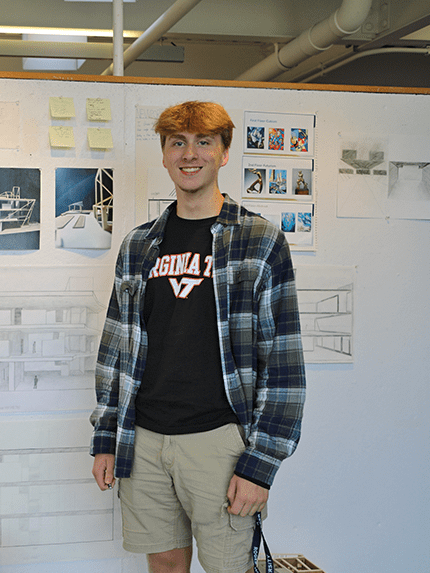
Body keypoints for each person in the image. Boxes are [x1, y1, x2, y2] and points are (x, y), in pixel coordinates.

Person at [90, 101, 305, 573]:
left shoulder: (260, 240)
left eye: (203, 142)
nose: (190, 154)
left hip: (219, 442)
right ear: (165, 155)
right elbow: (115, 348)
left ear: (224, 153)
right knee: (164, 566)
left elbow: (285, 365)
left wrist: (261, 464)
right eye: (178, 143)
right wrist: (107, 435)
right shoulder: (139, 244)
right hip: (143, 439)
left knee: (229, 568)